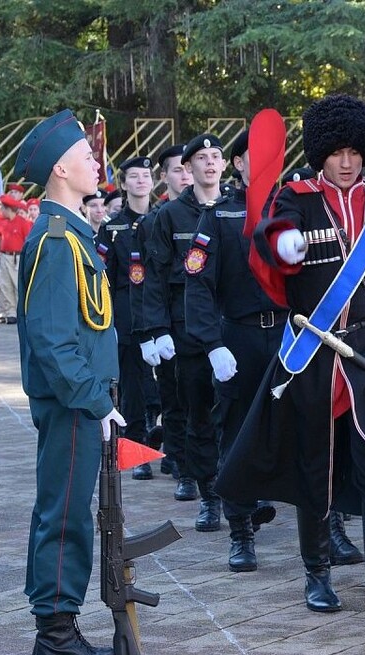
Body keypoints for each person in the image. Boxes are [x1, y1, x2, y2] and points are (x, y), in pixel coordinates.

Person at [216, 94, 365, 627]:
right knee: (317, 468)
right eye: (337, 151)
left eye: (356, 150)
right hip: (314, 352)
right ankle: (317, 574)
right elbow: (271, 232)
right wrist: (282, 243)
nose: (348, 161)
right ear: (319, 153)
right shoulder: (298, 197)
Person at [14, 109, 122, 655]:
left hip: (79, 401)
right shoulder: (58, 242)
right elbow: (54, 340)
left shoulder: (74, 236)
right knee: (66, 516)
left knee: (70, 511)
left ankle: (59, 633)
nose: (96, 162)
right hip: (73, 404)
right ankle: (56, 641)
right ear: (61, 168)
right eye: (87, 156)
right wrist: (96, 400)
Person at [183, 129, 281, 572]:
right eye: (251, 158)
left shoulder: (290, 207)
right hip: (240, 337)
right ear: (238, 165)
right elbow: (198, 284)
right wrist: (213, 344)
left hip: (287, 333)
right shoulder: (220, 217)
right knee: (238, 431)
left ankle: (328, 528)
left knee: (304, 429)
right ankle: (240, 532)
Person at [142, 134, 232, 533]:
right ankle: (210, 495)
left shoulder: (237, 208)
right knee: (198, 413)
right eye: (201, 158)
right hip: (187, 329)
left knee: (236, 413)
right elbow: (155, 278)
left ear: (224, 166)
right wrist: (156, 330)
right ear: (187, 169)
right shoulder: (169, 216)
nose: (209, 163)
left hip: (232, 326)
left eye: (216, 157)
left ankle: (243, 491)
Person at [132, 145, 196, 497]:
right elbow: (147, 281)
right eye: (177, 170)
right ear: (165, 176)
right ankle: (183, 465)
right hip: (173, 320)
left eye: (187, 169)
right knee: (174, 398)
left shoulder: (210, 212)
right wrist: (151, 330)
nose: (185, 176)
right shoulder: (155, 220)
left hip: (204, 319)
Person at [95, 156, 158, 480]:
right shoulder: (113, 226)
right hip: (127, 316)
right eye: (134, 176)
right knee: (133, 390)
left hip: (161, 312)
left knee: (166, 388)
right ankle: (136, 452)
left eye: (145, 176)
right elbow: (102, 277)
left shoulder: (164, 217)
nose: (141, 181)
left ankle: (173, 452)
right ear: (124, 183)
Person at [0, 195, 31, 325]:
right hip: (4, 256)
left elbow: (28, 240)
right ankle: (10, 313)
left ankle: (21, 312)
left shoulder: (22, 222)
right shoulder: (2, 223)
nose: (0, 210)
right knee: (5, 285)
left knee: (17, 285)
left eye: (1, 207)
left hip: (18, 257)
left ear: (8, 209)